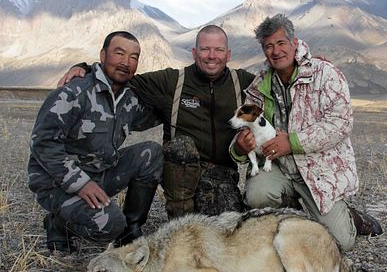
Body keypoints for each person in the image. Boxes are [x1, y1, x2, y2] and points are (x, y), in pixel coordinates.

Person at [57, 25, 257, 218]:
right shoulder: (173, 81)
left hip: (222, 174)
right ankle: (144, 222)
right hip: (182, 172)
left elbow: (272, 82)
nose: (212, 56)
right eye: (205, 49)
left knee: (226, 227)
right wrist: (85, 68)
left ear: (228, 54)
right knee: (186, 232)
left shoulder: (243, 82)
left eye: (219, 50)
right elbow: (122, 76)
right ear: (195, 53)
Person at [231, 14, 383, 252]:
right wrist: (240, 148)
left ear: (294, 43)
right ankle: (291, 208)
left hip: (317, 170)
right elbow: (246, 125)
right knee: (257, 196)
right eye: (268, 46)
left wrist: (292, 142)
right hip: (278, 167)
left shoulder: (325, 74)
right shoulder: (259, 84)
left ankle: (350, 218)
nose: (276, 51)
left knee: (341, 242)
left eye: (281, 43)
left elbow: (340, 123)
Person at [29, 31, 164, 253]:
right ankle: (58, 224)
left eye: (133, 57)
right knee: (109, 225)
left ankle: (130, 231)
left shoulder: (129, 98)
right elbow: (43, 144)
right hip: (57, 182)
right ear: (102, 55)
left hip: (99, 173)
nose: (125, 62)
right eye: (119, 53)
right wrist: (79, 182)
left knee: (151, 152)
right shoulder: (74, 92)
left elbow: (156, 114)